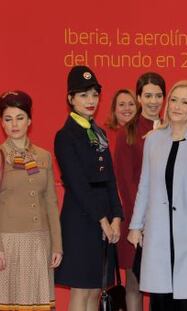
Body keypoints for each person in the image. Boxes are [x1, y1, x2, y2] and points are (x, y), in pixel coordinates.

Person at [128, 80, 187, 311]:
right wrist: (136, 225)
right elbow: (145, 185)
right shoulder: (153, 139)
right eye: (174, 100)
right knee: (161, 301)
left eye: (185, 102)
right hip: (158, 236)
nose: (176, 106)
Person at [54, 66, 123, 311]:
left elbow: (110, 179)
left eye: (94, 94)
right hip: (81, 220)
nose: (90, 100)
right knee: (81, 290)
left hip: (104, 217)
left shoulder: (99, 132)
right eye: (83, 95)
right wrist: (102, 220)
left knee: (97, 289)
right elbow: (78, 184)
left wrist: (116, 217)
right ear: (70, 99)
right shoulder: (65, 136)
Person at [0, 91, 62, 311]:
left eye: (20, 117)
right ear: (2, 124)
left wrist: (57, 244)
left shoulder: (43, 156)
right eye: (8, 119)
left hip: (40, 242)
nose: (14, 124)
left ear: (29, 121)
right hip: (9, 245)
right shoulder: (0, 155)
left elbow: (51, 204)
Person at [114, 72, 165, 311]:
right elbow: (126, 183)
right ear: (138, 98)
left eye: (158, 95)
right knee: (134, 284)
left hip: (167, 220)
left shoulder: (171, 129)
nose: (153, 101)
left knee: (163, 285)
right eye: (148, 95)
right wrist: (141, 220)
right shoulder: (128, 133)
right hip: (139, 222)